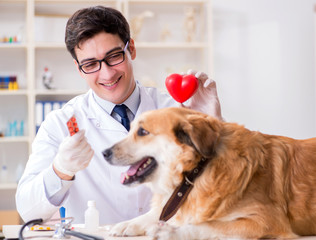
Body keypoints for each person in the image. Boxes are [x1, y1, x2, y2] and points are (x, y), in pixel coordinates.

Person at [16, 5, 222, 225]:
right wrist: (60, 171)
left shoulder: (173, 110)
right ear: (79, 68)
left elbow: (221, 187)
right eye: (91, 64)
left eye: (114, 56)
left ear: (131, 48)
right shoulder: (60, 123)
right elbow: (28, 211)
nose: (107, 73)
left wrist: (215, 126)